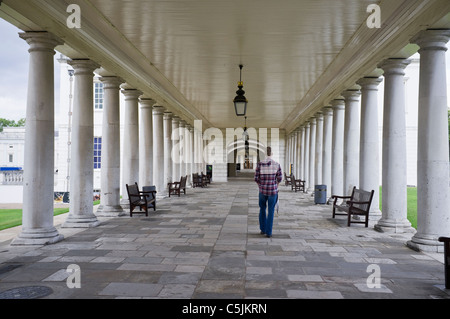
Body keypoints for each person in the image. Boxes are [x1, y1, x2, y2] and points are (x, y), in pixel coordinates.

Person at [254, 146, 282, 238]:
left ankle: (263, 229)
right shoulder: (277, 164)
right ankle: (269, 232)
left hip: (262, 190)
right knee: (271, 211)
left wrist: (260, 186)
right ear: (272, 153)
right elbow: (279, 178)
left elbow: (256, 178)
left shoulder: (260, 164)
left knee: (262, 209)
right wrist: (275, 186)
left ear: (265, 154)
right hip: (273, 191)